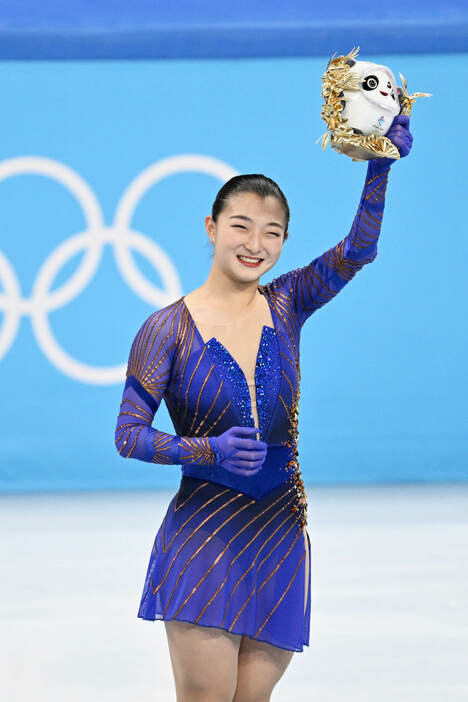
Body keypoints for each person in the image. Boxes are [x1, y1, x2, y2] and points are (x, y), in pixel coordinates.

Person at [114, 114, 413, 702]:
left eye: (272, 232)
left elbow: (358, 250)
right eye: (241, 226)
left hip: (279, 531)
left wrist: (380, 167)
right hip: (205, 538)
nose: (256, 244)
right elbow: (128, 434)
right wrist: (207, 449)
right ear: (211, 227)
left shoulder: (288, 304)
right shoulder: (166, 330)